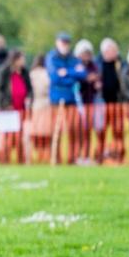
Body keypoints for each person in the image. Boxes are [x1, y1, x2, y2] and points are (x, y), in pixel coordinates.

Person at [45, 32, 86, 164]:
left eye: (67, 43)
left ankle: (73, 157)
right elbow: (55, 77)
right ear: (57, 42)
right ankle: (55, 158)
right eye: (63, 42)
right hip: (57, 99)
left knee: (73, 129)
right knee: (56, 130)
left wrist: (67, 72)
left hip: (72, 98)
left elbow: (82, 74)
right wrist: (72, 76)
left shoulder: (73, 58)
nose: (65, 45)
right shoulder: (52, 58)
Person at [0, 50, 30, 163]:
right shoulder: (4, 70)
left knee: (19, 135)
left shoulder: (24, 72)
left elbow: (29, 88)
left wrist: (29, 97)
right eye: (22, 58)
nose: (24, 61)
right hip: (7, 109)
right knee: (6, 135)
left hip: (21, 109)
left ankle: (20, 159)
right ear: (15, 59)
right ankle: (4, 159)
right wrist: (5, 104)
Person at [95, 38, 124, 160]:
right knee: (100, 131)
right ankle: (100, 155)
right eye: (111, 50)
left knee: (118, 130)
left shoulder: (120, 65)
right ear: (104, 52)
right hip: (101, 103)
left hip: (117, 103)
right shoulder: (97, 64)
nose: (114, 53)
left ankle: (117, 154)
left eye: (115, 50)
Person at [28, 53, 53, 162]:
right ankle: (45, 155)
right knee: (46, 133)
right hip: (45, 105)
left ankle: (39, 155)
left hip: (36, 105)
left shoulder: (31, 74)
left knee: (36, 133)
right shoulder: (47, 74)